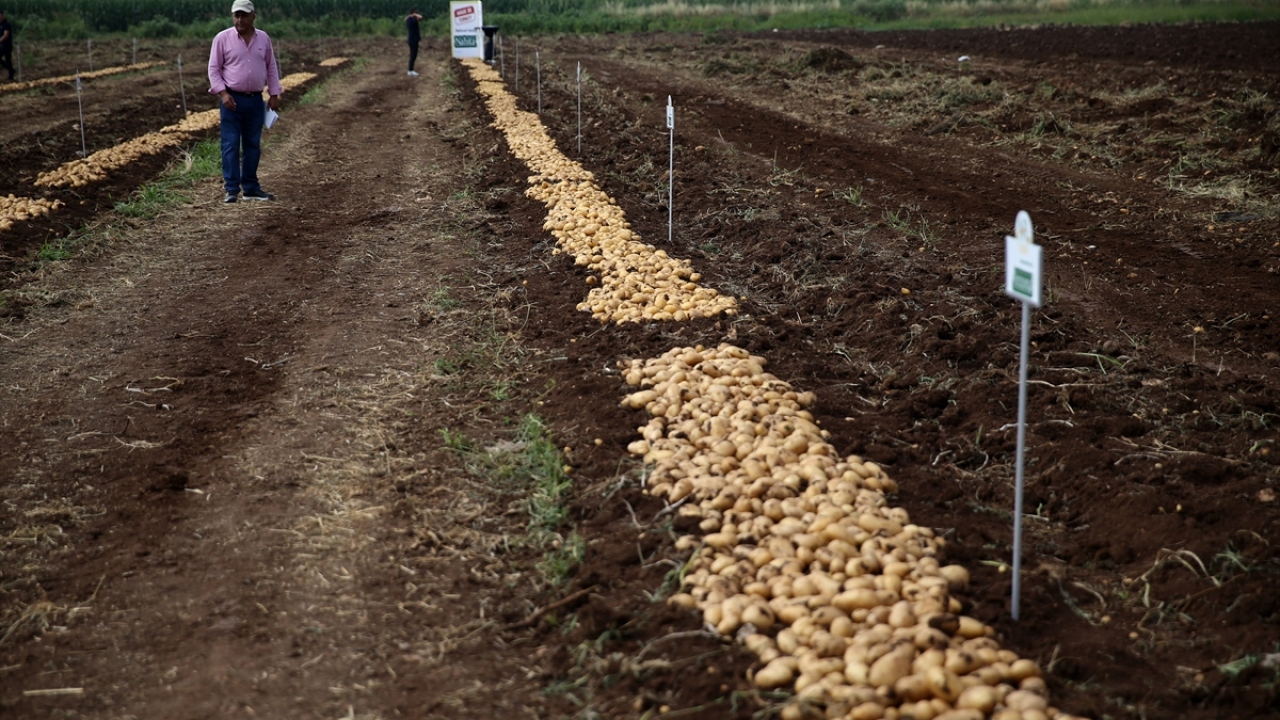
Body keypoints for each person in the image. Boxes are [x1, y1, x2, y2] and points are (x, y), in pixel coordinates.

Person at [208, 0, 282, 204]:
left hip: (255, 100)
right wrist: (223, 94)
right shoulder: (222, 38)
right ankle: (231, 189)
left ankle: (250, 188)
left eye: (244, 15)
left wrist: (274, 94)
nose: (240, 19)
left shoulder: (263, 39)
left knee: (252, 145)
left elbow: (271, 67)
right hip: (232, 100)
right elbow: (214, 69)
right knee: (230, 144)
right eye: (236, 15)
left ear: (253, 17)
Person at [405, 9, 423, 77]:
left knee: (412, 55)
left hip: (410, 39)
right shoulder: (413, 20)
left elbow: (405, 19)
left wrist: (410, 15)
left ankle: (411, 70)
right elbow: (421, 17)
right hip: (414, 40)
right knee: (413, 55)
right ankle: (410, 70)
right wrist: (414, 15)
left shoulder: (408, 20)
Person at [0, 11, 15, 82]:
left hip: (6, 45)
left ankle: (11, 75)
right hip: (1, 45)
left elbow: (6, 35)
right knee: (7, 61)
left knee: (8, 60)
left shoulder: (6, 24)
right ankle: (11, 71)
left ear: (3, 16)